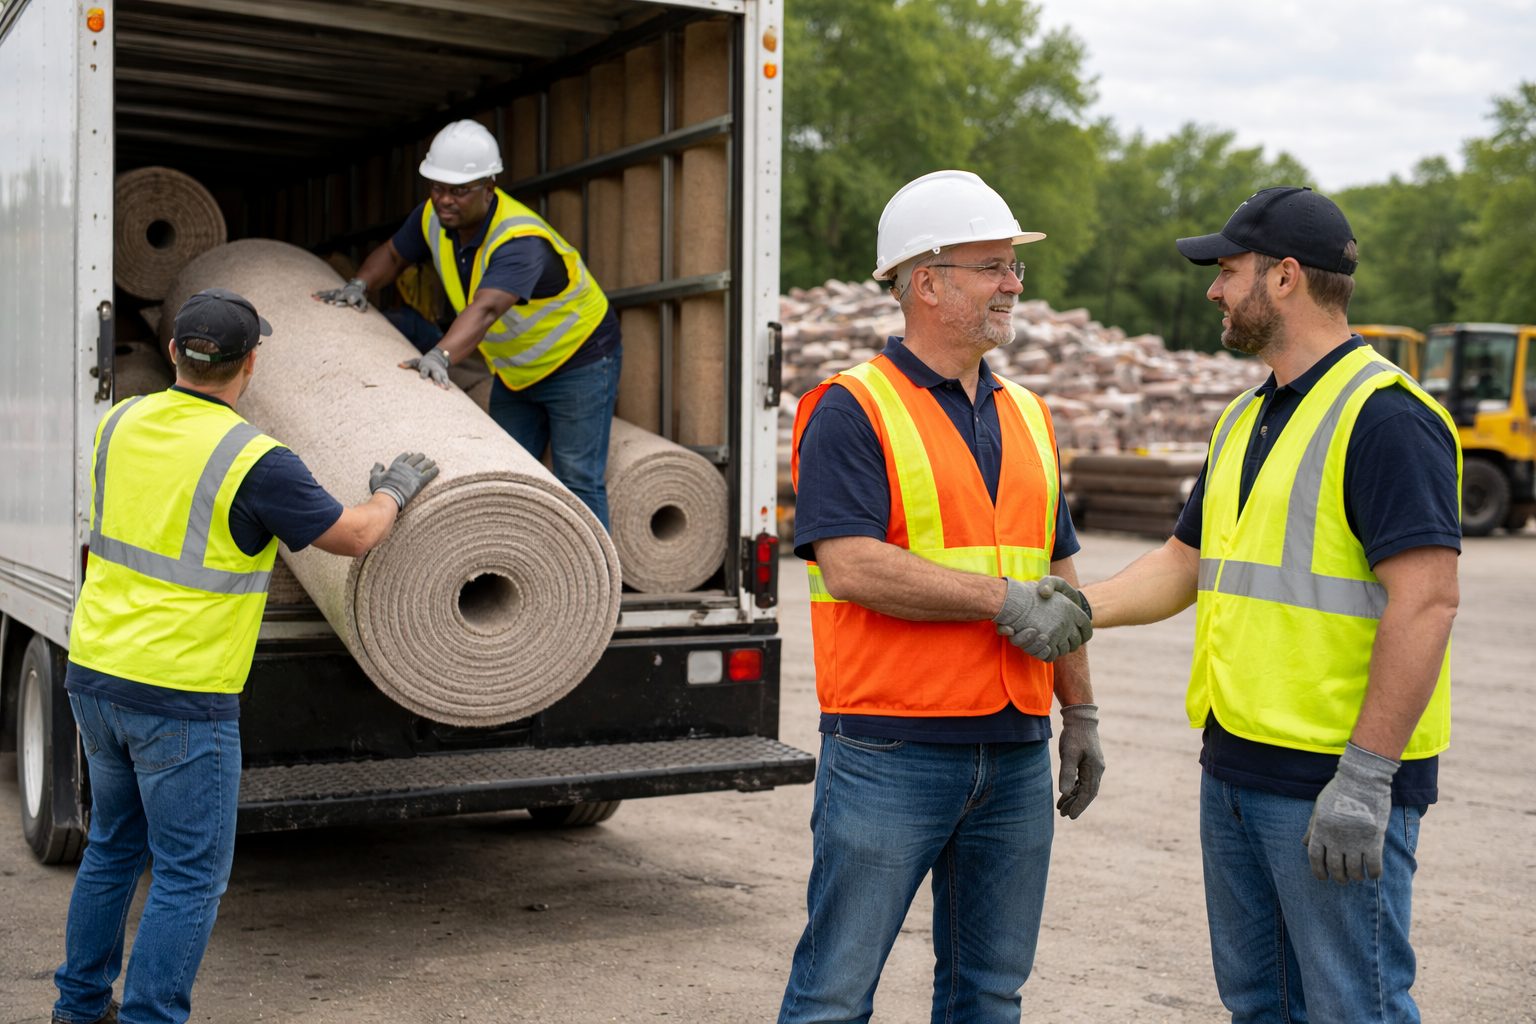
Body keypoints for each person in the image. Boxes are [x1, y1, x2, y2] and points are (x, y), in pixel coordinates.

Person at [1077, 187, 1461, 1022]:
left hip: (1334, 780)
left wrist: (1366, 779)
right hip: (1237, 766)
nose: (1214, 289)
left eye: (1227, 271)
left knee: (1352, 1005)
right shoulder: (1245, 417)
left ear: (1284, 277)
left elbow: (1426, 603)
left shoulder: (1386, 418)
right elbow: (1186, 563)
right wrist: (1078, 608)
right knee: (1258, 1003)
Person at [52, 289, 439, 1024]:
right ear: (251, 364)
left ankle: (76, 1010)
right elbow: (354, 536)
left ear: (173, 353)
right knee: (189, 877)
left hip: (96, 671)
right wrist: (392, 492)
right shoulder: (254, 460)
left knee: (111, 849)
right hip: (180, 695)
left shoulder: (118, 421)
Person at [777, 170, 1101, 1024]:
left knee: (990, 995)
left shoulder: (1029, 413)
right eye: (993, 265)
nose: (1014, 285)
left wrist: (1083, 713)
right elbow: (850, 564)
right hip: (892, 749)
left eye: (1014, 267)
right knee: (834, 995)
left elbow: (1057, 577)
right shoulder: (850, 408)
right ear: (926, 281)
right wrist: (1000, 599)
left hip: (1016, 752)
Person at [312, 118, 622, 529]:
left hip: (580, 361)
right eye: (437, 187)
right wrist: (358, 284)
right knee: (508, 475)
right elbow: (393, 254)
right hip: (516, 372)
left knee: (577, 478)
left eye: (459, 190)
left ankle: (597, 588)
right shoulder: (431, 218)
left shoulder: (519, 240)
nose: (445, 200)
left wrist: (440, 356)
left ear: (489, 187)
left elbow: (487, 310)